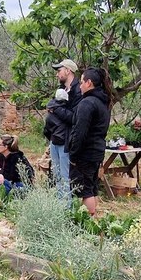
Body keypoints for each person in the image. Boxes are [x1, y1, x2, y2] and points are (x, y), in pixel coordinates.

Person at [67, 67, 112, 217]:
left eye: (81, 82)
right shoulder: (103, 103)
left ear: (89, 83)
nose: (79, 86)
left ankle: (86, 223)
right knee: (92, 188)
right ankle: (91, 221)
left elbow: (80, 132)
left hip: (85, 154)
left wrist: (73, 155)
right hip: (96, 151)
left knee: (85, 190)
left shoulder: (87, 103)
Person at [47, 58, 82, 192]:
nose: (57, 74)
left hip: (67, 140)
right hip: (55, 137)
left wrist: (56, 109)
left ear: (68, 71)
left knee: (65, 175)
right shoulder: (62, 89)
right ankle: (58, 206)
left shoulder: (78, 91)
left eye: (59, 70)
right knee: (56, 174)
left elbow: (75, 117)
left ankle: (66, 208)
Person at [43, 88, 72, 201]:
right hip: (63, 143)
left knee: (57, 174)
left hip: (54, 141)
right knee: (64, 174)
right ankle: (66, 202)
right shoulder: (67, 111)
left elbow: (46, 130)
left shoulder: (51, 109)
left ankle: (62, 200)